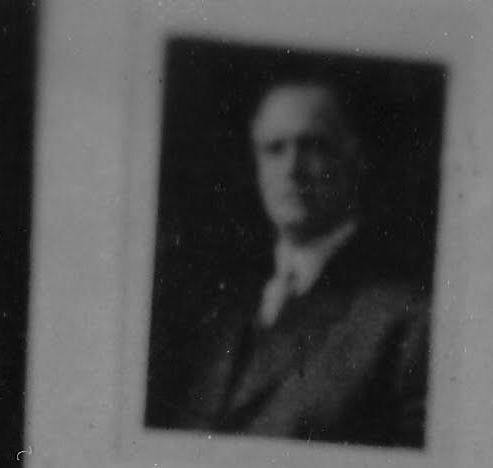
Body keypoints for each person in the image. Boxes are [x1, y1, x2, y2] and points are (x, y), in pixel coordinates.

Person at [151, 73, 430, 447]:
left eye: (314, 145)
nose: (292, 169)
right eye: (274, 149)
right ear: (257, 166)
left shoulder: (405, 319)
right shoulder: (221, 303)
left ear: (355, 159)